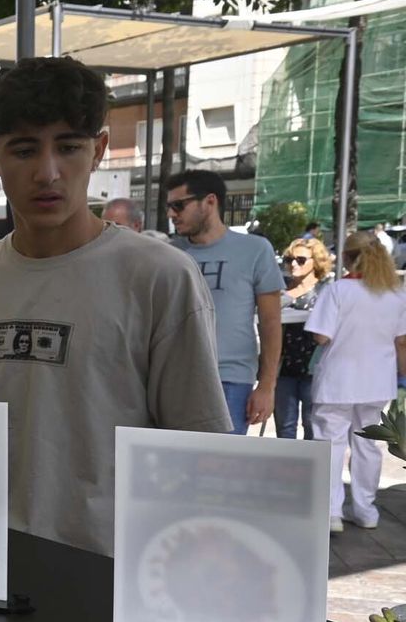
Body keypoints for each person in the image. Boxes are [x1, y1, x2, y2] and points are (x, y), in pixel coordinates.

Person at [0, 56, 231, 556]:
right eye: (24, 150)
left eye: (69, 147)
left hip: (108, 575)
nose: (47, 172)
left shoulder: (160, 279)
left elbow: (203, 457)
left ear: (98, 150)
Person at [167, 170, 284, 434]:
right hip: (174, 380)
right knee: (175, 471)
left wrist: (267, 386)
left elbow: (271, 322)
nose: (172, 214)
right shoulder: (168, 253)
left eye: (178, 205)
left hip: (231, 380)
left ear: (210, 202)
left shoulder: (255, 249)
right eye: (169, 206)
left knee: (222, 471)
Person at [306, 233, 406, 533]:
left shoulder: (338, 291)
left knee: (330, 445)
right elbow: (401, 342)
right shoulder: (396, 294)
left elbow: (321, 336)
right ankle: (366, 509)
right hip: (377, 382)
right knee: (368, 446)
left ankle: (331, 512)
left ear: (348, 257)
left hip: (338, 380)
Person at [273, 236, 334, 440]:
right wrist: (292, 293)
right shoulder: (281, 288)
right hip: (284, 367)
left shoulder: (327, 290)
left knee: (312, 426)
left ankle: (311, 471)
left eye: (300, 260)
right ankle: (285, 471)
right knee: (284, 427)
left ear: (315, 262)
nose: (293, 264)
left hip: (314, 368)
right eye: (289, 259)